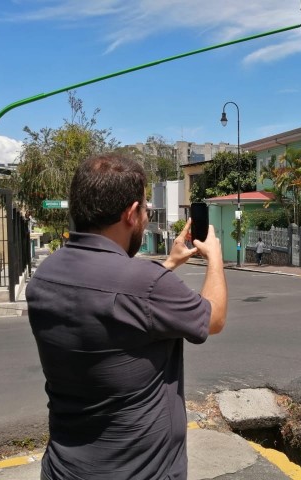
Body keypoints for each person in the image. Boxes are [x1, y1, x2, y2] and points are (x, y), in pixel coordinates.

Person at [26, 153, 227, 480]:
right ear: (132, 214)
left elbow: (110, 302)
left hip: (63, 470)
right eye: (145, 209)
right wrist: (214, 257)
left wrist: (169, 264)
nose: (146, 216)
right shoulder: (145, 284)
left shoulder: (46, 276)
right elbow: (213, 318)